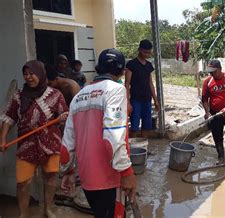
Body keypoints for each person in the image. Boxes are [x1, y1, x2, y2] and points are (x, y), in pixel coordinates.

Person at [60, 48, 136, 218]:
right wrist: (126, 171)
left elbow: (67, 144)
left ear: (98, 68)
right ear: (121, 71)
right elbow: (113, 137)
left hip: (87, 180)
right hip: (109, 177)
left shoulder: (79, 96)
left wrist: (68, 171)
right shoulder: (115, 90)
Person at [0, 60, 68, 218]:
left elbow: (64, 116)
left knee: (50, 178)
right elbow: (9, 118)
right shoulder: (18, 96)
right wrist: (3, 139)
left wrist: (64, 116)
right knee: (23, 182)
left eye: (32, 73)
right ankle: (24, 213)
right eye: (25, 74)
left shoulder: (55, 95)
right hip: (26, 144)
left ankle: (48, 209)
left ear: (41, 74)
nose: (28, 77)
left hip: (51, 143)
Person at [125, 39, 160, 138]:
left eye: (149, 52)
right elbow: (127, 84)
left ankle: (143, 149)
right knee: (135, 127)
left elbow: (150, 83)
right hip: (135, 100)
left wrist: (155, 100)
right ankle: (133, 150)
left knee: (146, 127)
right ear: (139, 50)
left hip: (147, 100)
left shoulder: (148, 65)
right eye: (145, 52)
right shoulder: (131, 64)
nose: (147, 54)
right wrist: (127, 102)